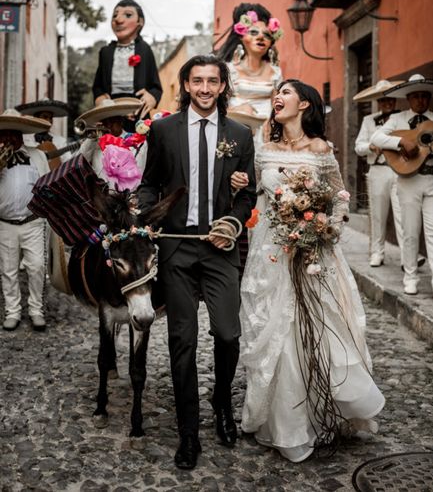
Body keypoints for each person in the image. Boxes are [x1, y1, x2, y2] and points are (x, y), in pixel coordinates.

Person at [240, 79, 384, 462]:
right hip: (272, 251)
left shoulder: (322, 150)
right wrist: (241, 181)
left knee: (322, 325)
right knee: (276, 330)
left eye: (286, 92)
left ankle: (321, 411)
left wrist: (326, 229)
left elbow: (339, 198)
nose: (278, 97)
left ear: (305, 104)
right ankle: (284, 421)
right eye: (276, 93)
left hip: (314, 254)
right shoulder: (262, 149)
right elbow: (254, 193)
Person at [137, 55, 256, 470]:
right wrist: (147, 217)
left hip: (221, 249)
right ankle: (188, 431)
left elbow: (248, 195)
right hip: (177, 251)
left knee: (227, 334)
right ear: (185, 85)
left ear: (223, 86)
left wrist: (233, 221)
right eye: (197, 81)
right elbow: (150, 183)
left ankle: (222, 401)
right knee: (181, 343)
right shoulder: (163, 130)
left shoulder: (240, 135)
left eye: (213, 81)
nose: (205, 88)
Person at [370, 74, 433, 295]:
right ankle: (410, 276)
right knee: (410, 231)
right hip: (408, 181)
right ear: (408, 98)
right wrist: (400, 142)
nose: (421, 101)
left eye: (425, 96)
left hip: (432, 181)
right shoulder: (398, 120)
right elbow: (377, 138)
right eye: (416, 96)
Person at [0, 109, 50, 331]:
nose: (9, 137)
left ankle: (36, 309)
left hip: (32, 221)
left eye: (14, 132)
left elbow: (48, 185)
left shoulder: (37, 155)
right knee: (8, 269)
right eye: (5, 133)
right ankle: (12, 311)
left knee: (37, 266)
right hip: (5, 223)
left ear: (21, 134)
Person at [354, 80, 405, 267]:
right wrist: (370, 146)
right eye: (383, 101)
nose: (388, 103)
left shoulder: (402, 118)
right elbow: (358, 147)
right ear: (378, 102)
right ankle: (377, 252)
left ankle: (407, 256)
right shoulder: (369, 120)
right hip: (378, 171)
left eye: (391, 99)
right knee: (377, 215)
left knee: (403, 214)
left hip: (400, 171)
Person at [217, 2, 282, 145]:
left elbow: (278, 106)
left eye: (266, 34)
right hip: (234, 132)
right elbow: (216, 108)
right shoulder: (229, 70)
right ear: (241, 36)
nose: (260, 37)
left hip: (267, 137)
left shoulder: (276, 73)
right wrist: (236, 111)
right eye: (253, 32)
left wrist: (272, 122)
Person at [92, 0, 163, 123]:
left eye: (128, 15)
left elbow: (156, 86)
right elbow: (98, 86)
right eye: (115, 15)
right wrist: (100, 98)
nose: (118, 20)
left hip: (138, 113)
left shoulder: (145, 49)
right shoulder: (105, 53)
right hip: (110, 113)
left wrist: (151, 97)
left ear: (140, 21)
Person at [77, 97, 148, 187]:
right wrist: (91, 138)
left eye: (112, 121)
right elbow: (79, 162)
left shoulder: (135, 141)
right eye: (105, 122)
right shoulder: (94, 143)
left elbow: (140, 171)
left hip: (129, 196)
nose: (108, 126)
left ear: (121, 122)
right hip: (101, 197)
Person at [17, 98, 75, 167]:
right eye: (45, 117)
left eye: (51, 118)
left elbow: (68, 163)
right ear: (36, 118)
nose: (49, 121)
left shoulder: (60, 141)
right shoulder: (24, 139)